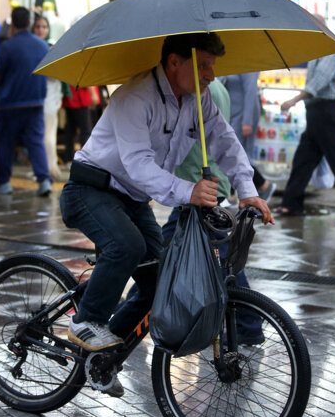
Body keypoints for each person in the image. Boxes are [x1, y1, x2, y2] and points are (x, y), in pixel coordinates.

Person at [60, 33, 273, 364]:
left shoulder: (196, 99)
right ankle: (85, 321)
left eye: (212, 66)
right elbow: (138, 164)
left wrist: (247, 191)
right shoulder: (135, 96)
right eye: (203, 65)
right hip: (91, 190)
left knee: (161, 281)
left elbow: (224, 139)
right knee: (127, 246)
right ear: (174, 62)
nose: (210, 75)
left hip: (132, 199)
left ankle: (105, 359)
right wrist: (188, 190)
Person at [273, 17, 335, 221]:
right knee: (303, 160)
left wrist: (294, 99)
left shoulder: (329, 50)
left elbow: (318, 83)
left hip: (327, 112)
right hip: (317, 113)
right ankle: (292, 204)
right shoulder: (317, 49)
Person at [0, 6, 52, 197]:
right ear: (29, 23)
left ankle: (3, 182)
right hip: (36, 101)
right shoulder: (42, 45)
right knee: (36, 142)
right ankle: (44, 180)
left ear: (12, 24)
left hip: (10, 103)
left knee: (5, 143)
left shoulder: (7, 46)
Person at [222, 73, 276, 202]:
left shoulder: (246, 63)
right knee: (233, 154)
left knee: (236, 154)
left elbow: (250, 90)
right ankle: (231, 195)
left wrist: (247, 121)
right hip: (232, 112)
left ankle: (262, 184)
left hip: (243, 115)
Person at [32, 15, 63, 181]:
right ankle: (46, 167)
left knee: (47, 134)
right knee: (44, 134)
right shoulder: (36, 46)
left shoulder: (51, 47)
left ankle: (49, 168)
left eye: (44, 27)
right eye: (38, 27)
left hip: (49, 98)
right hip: (40, 97)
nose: (41, 30)